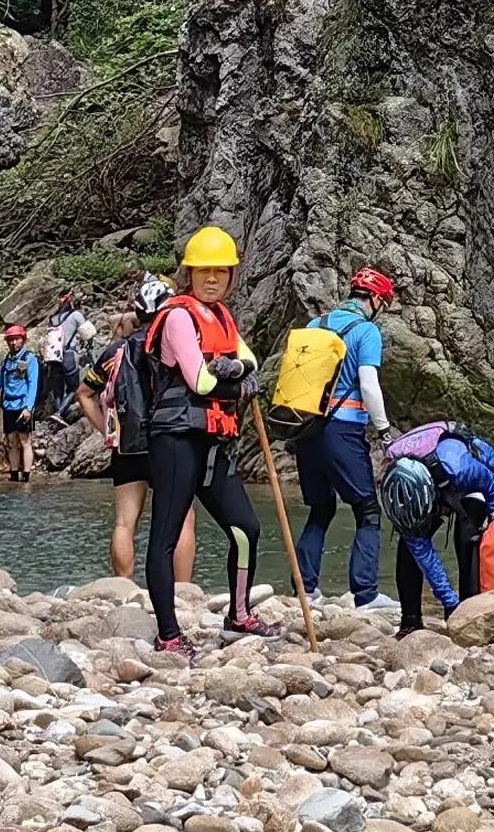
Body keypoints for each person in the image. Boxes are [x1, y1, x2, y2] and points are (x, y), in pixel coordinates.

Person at [138, 227, 272, 652]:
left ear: (231, 276)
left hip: (213, 442)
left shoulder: (224, 318)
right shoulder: (179, 315)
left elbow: (248, 361)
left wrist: (236, 373)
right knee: (166, 536)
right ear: (189, 274)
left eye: (220, 271)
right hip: (176, 438)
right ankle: (168, 635)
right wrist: (237, 384)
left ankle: (239, 614)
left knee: (247, 529)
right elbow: (198, 380)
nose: (211, 279)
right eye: (203, 271)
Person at [282, 266, 400, 611]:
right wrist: (383, 431)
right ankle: (365, 595)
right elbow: (368, 384)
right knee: (368, 510)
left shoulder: (314, 326)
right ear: (376, 300)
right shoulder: (366, 331)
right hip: (343, 430)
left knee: (321, 508)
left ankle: (305, 589)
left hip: (305, 429)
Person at [380, 419, 494, 631]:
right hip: (429, 483)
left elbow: (493, 486)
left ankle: (470, 611)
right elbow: (424, 554)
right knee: (408, 547)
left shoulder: (460, 469)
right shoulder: (395, 491)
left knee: (467, 538)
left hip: (480, 478)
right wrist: (448, 601)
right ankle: (410, 621)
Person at [94, 289, 186, 587]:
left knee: (124, 521)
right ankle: (184, 591)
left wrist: (107, 430)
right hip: (168, 439)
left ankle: (123, 587)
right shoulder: (175, 345)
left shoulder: (114, 351)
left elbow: (83, 393)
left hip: (127, 444)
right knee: (182, 519)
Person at [0, 327, 42, 482]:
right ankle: (13, 474)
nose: (13, 343)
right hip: (8, 405)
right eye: (11, 340)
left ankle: (25, 476)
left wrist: (29, 407)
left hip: (22, 405)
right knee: (11, 441)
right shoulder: (6, 360)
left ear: (23, 340)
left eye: (17, 339)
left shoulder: (29, 359)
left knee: (25, 441)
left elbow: (33, 385)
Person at [38, 292, 95, 424]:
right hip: (69, 355)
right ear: (70, 302)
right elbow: (88, 333)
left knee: (58, 390)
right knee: (73, 388)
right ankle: (59, 413)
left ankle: (58, 415)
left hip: (53, 358)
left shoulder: (53, 318)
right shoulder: (75, 315)